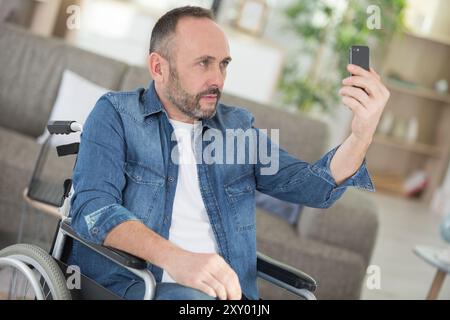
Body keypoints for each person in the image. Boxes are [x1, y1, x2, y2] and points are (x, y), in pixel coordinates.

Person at [67, 6, 390, 300]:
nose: (217, 79)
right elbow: (93, 210)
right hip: (138, 286)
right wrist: (176, 259)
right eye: (203, 63)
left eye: (223, 64)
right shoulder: (117, 115)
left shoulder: (235, 127)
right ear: (158, 67)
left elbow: (312, 186)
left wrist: (362, 134)